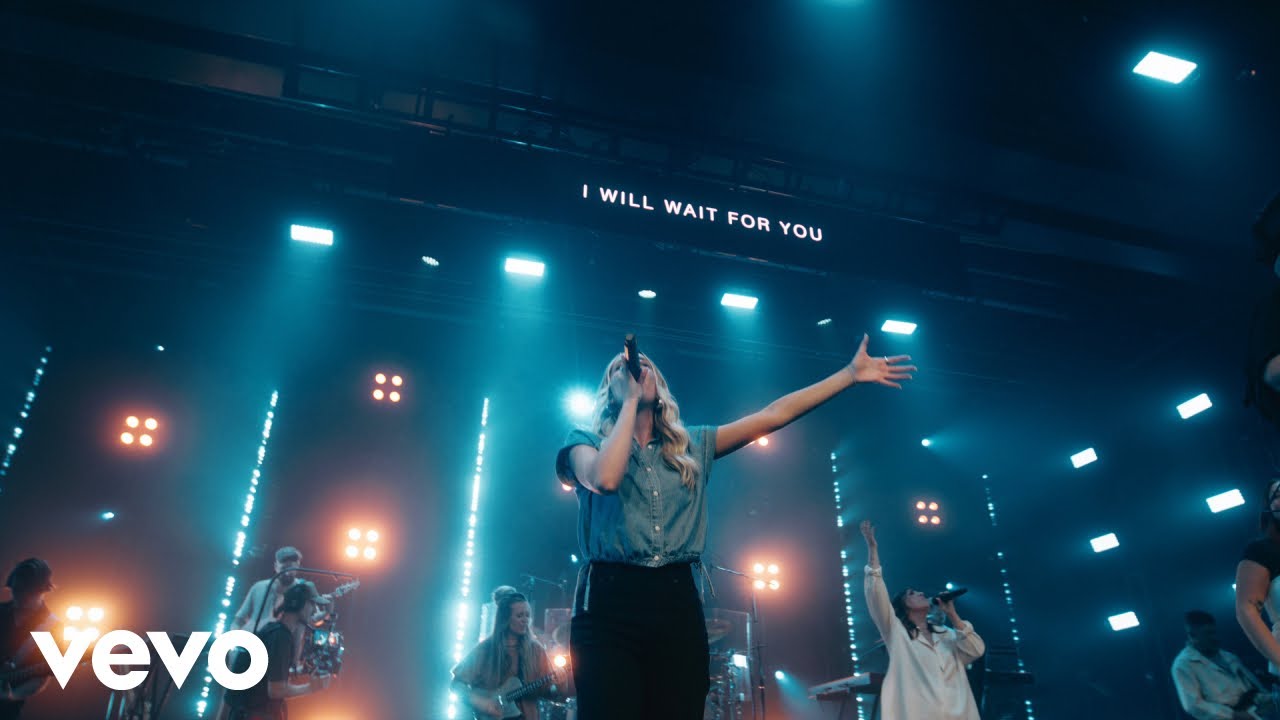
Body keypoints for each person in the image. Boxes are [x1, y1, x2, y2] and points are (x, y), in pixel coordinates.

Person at [555, 334, 913, 720]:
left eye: (645, 368)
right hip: (609, 600)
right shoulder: (584, 443)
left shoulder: (692, 446)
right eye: (619, 372)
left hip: (674, 595)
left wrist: (848, 375)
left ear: (659, 385)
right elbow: (606, 479)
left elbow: (772, 415)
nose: (635, 372)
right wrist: (629, 401)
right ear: (610, 390)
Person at [860, 521, 985, 720]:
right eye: (912, 593)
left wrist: (953, 614)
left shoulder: (946, 634)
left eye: (918, 591)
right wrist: (873, 550)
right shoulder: (896, 632)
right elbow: (875, 593)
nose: (920, 592)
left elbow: (976, 650)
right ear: (904, 606)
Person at [222, 583, 333, 720]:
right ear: (300, 604)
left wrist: (299, 669)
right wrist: (312, 687)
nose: (314, 610)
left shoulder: (273, 631)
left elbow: (267, 673)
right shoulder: (281, 637)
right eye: (312, 604)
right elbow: (276, 690)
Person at [451, 587, 560, 719]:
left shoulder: (536, 650)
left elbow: (549, 692)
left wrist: (559, 684)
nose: (525, 620)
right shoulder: (485, 649)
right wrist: (483, 703)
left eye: (527, 615)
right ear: (505, 619)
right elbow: (457, 684)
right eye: (520, 616)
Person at [1173, 610, 1272, 720]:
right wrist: (1233, 715)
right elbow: (1193, 706)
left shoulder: (1228, 656)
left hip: (1255, 711)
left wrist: (1267, 699)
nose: (1214, 637)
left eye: (1214, 632)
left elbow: (1251, 687)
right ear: (1192, 635)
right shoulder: (1183, 665)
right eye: (1207, 633)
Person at [0, 559, 59, 720]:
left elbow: (41, 678)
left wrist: (13, 696)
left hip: (6, 710)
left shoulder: (51, 626)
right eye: (16, 590)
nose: (19, 596)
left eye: (26, 592)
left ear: (42, 590)